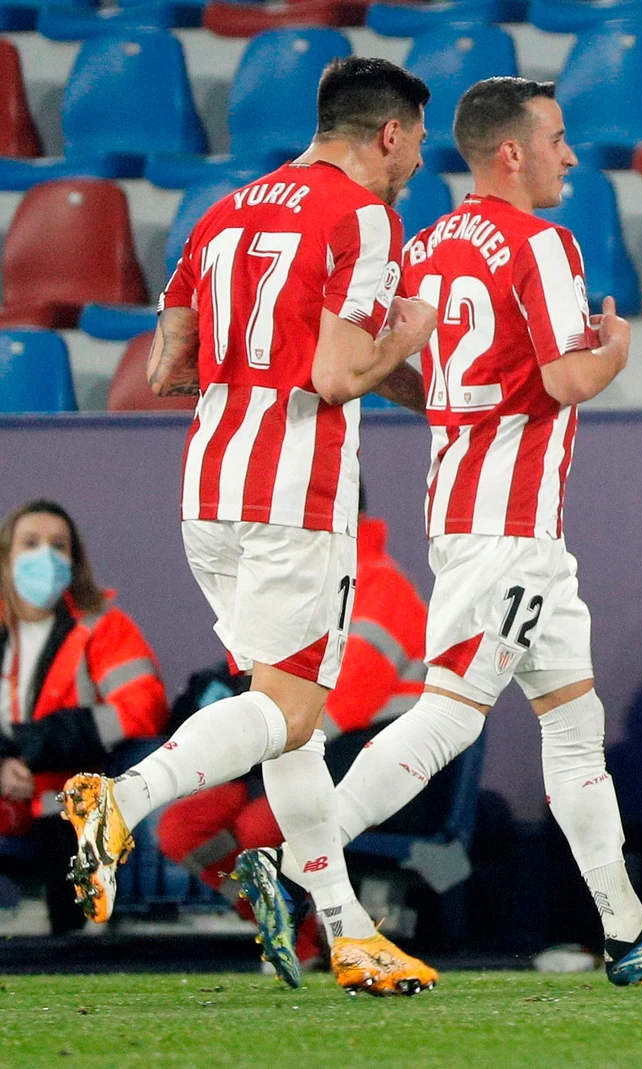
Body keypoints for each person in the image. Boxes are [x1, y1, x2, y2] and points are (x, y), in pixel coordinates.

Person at [264, 76, 642, 990]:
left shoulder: (430, 243)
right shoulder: (543, 243)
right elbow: (565, 381)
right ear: (511, 152)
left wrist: (457, 404)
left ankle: (627, 925)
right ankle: (295, 869)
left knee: (573, 722)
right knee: (447, 714)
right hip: (508, 528)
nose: (571, 155)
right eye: (557, 139)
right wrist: (617, 351)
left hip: (485, 519)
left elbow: (403, 376)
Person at [62, 56, 440, 996]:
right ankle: (122, 800)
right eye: (419, 141)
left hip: (209, 487)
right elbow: (337, 375)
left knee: (293, 733)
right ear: (387, 133)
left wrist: (273, 373)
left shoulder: (224, 211)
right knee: (294, 708)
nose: (420, 163)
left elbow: (166, 365)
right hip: (294, 494)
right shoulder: (366, 217)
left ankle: (349, 932)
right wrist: (415, 328)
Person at [156, 498, 428, 972]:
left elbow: (337, 708)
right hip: (283, 755)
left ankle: (320, 934)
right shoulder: (293, 583)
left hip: (364, 767)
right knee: (182, 828)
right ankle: (298, 936)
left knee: (261, 828)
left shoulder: (384, 590)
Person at [0, 501, 167, 936]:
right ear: (6, 557)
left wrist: (37, 748)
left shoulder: (104, 628)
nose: (45, 557)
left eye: (59, 546)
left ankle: (74, 945)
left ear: (75, 560)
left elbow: (142, 708)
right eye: (30, 544)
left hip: (70, 800)